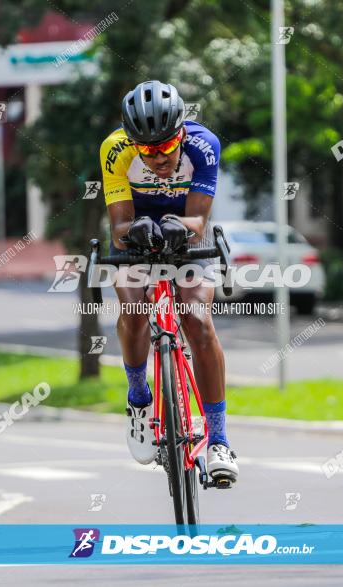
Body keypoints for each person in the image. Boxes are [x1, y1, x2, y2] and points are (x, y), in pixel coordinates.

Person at [98, 80, 238, 483]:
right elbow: (119, 226)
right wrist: (133, 231)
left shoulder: (204, 145)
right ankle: (140, 397)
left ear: (181, 131)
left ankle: (218, 439)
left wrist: (180, 227)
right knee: (135, 309)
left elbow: (198, 221)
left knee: (196, 318)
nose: (157, 157)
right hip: (136, 232)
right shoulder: (115, 150)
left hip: (186, 229)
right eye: (146, 149)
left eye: (165, 146)